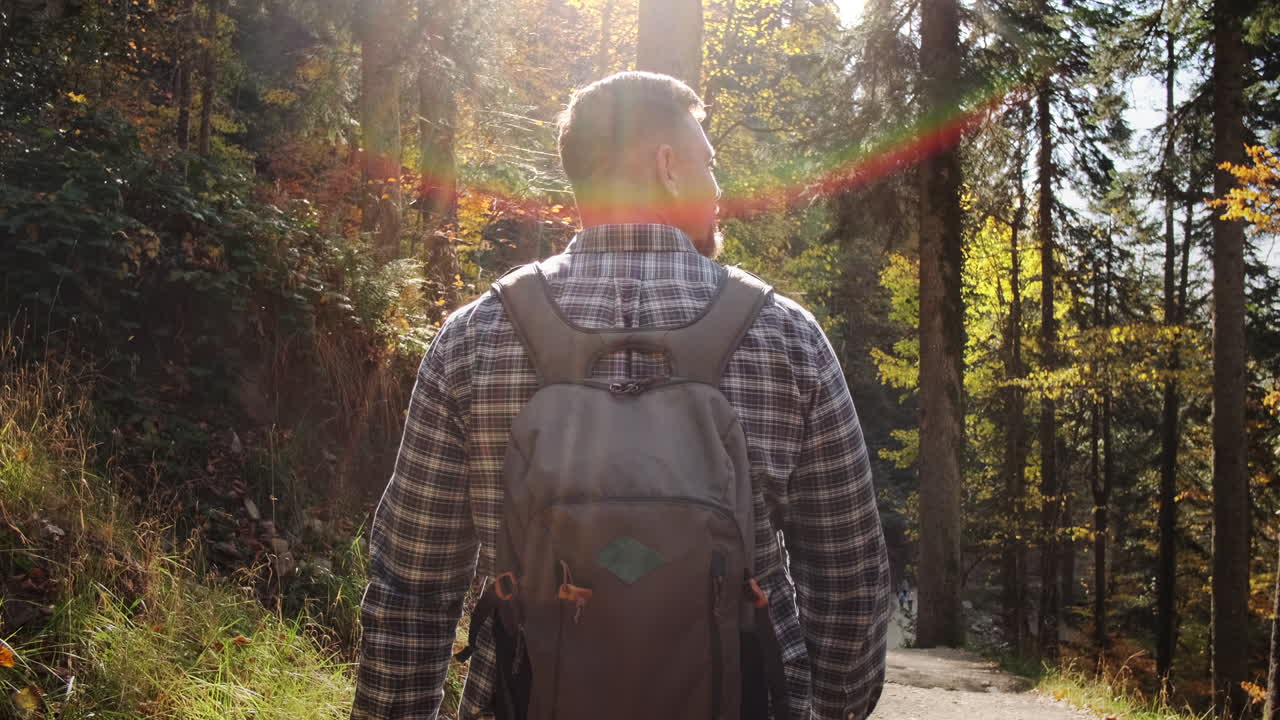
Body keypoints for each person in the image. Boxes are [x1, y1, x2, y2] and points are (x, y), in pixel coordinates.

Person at [350, 71, 892, 720]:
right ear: (667, 166)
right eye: (708, 165)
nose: (718, 189)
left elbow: (410, 590)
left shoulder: (475, 338)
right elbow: (848, 585)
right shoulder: (786, 337)